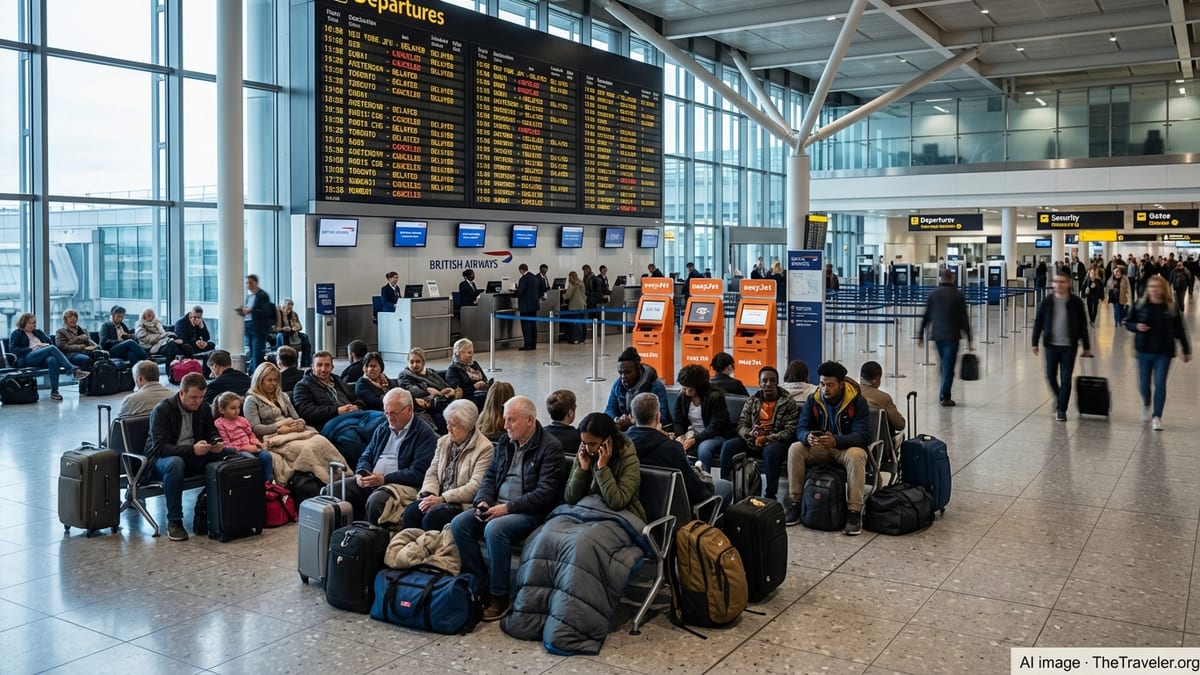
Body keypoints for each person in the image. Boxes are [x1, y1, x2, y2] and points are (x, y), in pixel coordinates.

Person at [449, 396, 566, 621]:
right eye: (505, 419)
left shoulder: (550, 448)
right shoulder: (505, 442)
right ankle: (480, 583)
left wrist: (507, 508)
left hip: (529, 512)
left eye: (511, 420)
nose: (505, 426)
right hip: (497, 507)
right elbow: (490, 476)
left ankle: (499, 596)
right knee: (459, 524)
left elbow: (546, 493)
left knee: (495, 529)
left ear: (530, 421)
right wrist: (483, 500)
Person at [146, 373, 237, 541]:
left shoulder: (203, 407)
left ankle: (224, 510)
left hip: (192, 454)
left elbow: (211, 431)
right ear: (182, 393)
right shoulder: (163, 410)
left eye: (201, 397)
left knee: (231, 454)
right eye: (193, 397)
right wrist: (191, 450)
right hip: (161, 460)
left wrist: (216, 442)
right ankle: (174, 520)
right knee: (176, 463)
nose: (198, 401)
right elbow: (160, 448)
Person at [785, 361, 872, 536]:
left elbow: (862, 436)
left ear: (841, 384)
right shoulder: (814, 399)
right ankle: (795, 504)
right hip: (821, 447)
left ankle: (854, 512)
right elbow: (801, 428)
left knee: (857, 455)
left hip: (845, 448)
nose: (826, 389)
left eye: (830, 385)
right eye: (823, 384)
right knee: (796, 449)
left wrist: (836, 441)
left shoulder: (857, 402)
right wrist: (807, 437)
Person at [332, 388, 437, 524]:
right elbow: (366, 455)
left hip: (400, 485)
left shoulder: (424, 434)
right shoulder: (383, 427)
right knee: (333, 490)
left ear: (409, 410)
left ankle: (366, 538)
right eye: (386, 413)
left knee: (376, 501)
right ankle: (338, 538)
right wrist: (360, 472)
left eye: (394, 413)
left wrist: (384, 479)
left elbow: (418, 473)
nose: (389, 418)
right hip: (373, 478)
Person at [402, 399, 495, 531]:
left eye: (454, 425)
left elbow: (475, 487)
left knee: (433, 517)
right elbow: (432, 472)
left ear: (467, 426)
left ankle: (429, 549)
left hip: (460, 503)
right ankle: (408, 548)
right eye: (447, 423)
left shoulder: (484, 448)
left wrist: (442, 498)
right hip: (437, 497)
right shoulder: (443, 442)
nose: (448, 428)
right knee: (412, 511)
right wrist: (428, 495)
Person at [627, 392, 731, 509]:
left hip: (637, 508)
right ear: (658, 417)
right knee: (726, 486)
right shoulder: (671, 448)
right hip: (674, 511)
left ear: (632, 417)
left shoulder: (622, 445)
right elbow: (697, 492)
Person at [718, 366, 800, 501]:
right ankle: (725, 488)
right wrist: (748, 433)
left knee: (771, 453)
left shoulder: (787, 401)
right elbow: (742, 424)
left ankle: (770, 495)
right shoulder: (753, 400)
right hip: (752, 440)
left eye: (772, 380)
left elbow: (790, 430)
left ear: (777, 382)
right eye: (765, 381)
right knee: (728, 446)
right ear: (759, 383)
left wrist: (767, 438)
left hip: (775, 442)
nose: (768, 384)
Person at [1125, 274, 1192, 431]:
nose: (1154, 290)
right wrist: (1136, 327)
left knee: (1160, 384)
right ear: (1147, 289)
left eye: (1157, 287)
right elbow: (1127, 322)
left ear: (1164, 289)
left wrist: (1186, 349)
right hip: (1144, 351)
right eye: (1151, 287)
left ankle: (1157, 416)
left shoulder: (1171, 307)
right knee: (1143, 385)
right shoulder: (1140, 305)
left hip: (1164, 352)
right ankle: (1147, 404)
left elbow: (1180, 330)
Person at [1032, 271, 1093, 422]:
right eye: (1056, 281)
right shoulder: (1047, 301)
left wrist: (1086, 346)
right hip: (1051, 346)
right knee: (1051, 376)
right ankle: (1060, 398)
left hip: (1069, 347)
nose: (1058, 285)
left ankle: (1061, 409)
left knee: (1066, 379)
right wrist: (1034, 342)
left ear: (1068, 284)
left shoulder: (1076, 302)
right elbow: (1038, 321)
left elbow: (1083, 325)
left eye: (1062, 282)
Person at [565, 413, 644, 521]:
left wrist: (602, 468)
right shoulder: (584, 454)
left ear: (608, 441)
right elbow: (570, 498)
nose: (588, 449)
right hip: (585, 511)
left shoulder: (627, 457)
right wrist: (582, 469)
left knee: (584, 538)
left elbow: (617, 502)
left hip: (619, 517)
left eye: (593, 444)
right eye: (584, 443)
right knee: (547, 534)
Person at [918, 269, 973, 407]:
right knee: (948, 366)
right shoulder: (958, 295)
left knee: (943, 364)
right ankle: (945, 396)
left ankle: (943, 392)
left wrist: (920, 335)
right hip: (952, 336)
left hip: (937, 336)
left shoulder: (933, 294)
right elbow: (964, 319)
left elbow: (926, 316)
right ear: (952, 279)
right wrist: (969, 339)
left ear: (941, 279)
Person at [8, 313, 89, 401]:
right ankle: (73, 370)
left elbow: (49, 342)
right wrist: (32, 348)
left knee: (52, 360)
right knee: (52, 349)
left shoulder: (37, 332)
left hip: (41, 357)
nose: (33, 325)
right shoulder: (16, 333)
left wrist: (44, 345)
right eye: (30, 323)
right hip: (27, 358)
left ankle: (55, 392)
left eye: (34, 323)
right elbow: (13, 349)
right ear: (23, 323)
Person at [673, 364, 734, 471]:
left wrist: (695, 439)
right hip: (694, 434)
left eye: (687, 387)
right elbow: (677, 420)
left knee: (704, 449)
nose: (683, 389)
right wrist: (680, 435)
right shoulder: (683, 396)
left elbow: (716, 426)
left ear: (697, 386)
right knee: (674, 446)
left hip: (716, 435)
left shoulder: (715, 397)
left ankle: (705, 481)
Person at [212, 392, 275, 482]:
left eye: (238, 407)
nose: (237, 411)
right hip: (237, 451)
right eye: (233, 408)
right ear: (222, 410)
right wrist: (243, 447)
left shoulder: (242, 420)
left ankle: (268, 482)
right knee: (251, 460)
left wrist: (257, 443)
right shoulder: (219, 423)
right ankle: (254, 484)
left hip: (250, 446)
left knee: (266, 455)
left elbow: (250, 435)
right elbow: (226, 444)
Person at [605, 347, 671, 431]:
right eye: (620, 372)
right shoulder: (618, 385)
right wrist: (617, 419)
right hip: (626, 428)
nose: (623, 377)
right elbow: (610, 409)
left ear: (638, 370)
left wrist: (634, 421)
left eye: (628, 372)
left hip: (650, 429)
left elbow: (661, 415)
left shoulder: (655, 386)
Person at [293, 350, 363, 429]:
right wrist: (337, 411)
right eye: (319, 365)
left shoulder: (338, 380)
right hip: (331, 422)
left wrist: (357, 406)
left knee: (378, 419)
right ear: (312, 367)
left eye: (327, 365)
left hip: (355, 415)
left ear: (332, 367)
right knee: (352, 435)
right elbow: (306, 412)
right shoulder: (302, 386)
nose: (323, 369)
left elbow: (357, 398)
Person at [398, 347, 459, 433]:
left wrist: (448, 391)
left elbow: (443, 385)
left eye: (418, 362)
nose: (415, 365)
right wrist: (427, 390)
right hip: (424, 407)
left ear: (423, 363)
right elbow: (412, 391)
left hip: (442, 401)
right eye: (412, 362)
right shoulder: (404, 375)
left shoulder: (430, 372)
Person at [242, 362, 308, 439]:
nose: (273, 383)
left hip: (292, 431)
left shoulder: (283, 396)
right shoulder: (251, 400)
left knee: (321, 441)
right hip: (271, 436)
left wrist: (301, 424)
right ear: (259, 380)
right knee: (307, 448)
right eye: (269, 380)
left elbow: (296, 417)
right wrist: (280, 424)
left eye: (275, 380)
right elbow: (255, 429)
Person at [858, 361, 905, 435]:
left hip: (855, 437)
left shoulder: (852, 393)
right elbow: (900, 425)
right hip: (879, 440)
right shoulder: (883, 398)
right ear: (876, 379)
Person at [238, 274, 274, 368]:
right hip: (249, 325)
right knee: (252, 351)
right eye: (247, 283)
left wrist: (251, 310)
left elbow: (265, 311)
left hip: (259, 328)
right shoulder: (248, 297)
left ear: (256, 283)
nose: (248, 285)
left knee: (258, 352)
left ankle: (258, 373)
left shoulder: (262, 295)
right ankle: (252, 372)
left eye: (250, 283)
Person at [446, 338, 491, 410]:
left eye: (471, 352)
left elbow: (485, 379)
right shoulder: (453, 369)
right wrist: (474, 387)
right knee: (488, 399)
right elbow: (457, 393)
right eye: (467, 352)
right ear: (458, 353)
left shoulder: (474, 364)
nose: (470, 355)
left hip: (481, 393)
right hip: (467, 397)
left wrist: (485, 385)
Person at [274, 298, 312, 367]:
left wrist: (295, 328)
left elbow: (300, 327)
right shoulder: (276, 313)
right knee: (282, 336)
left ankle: (305, 364)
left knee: (305, 337)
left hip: (292, 332)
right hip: (280, 333)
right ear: (283, 307)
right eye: (287, 309)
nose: (288, 311)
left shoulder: (294, 314)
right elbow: (273, 328)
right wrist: (282, 328)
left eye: (290, 309)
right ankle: (286, 363)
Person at [515, 263, 540, 351]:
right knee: (533, 325)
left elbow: (520, 291)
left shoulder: (523, 279)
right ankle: (533, 344)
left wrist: (514, 293)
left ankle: (528, 345)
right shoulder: (535, 277)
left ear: (521, 270)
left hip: (525, 306)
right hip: (534, 305)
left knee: (526, 326)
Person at [561, 271, 586, 343]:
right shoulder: (581, 283)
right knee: (582, 322)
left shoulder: (572, 284)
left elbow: (568, 296)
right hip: (581, 304)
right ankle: (582, 339)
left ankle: (577, 338)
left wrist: (563, 296)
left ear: (571, 277)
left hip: (574, 305)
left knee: (576, 323)